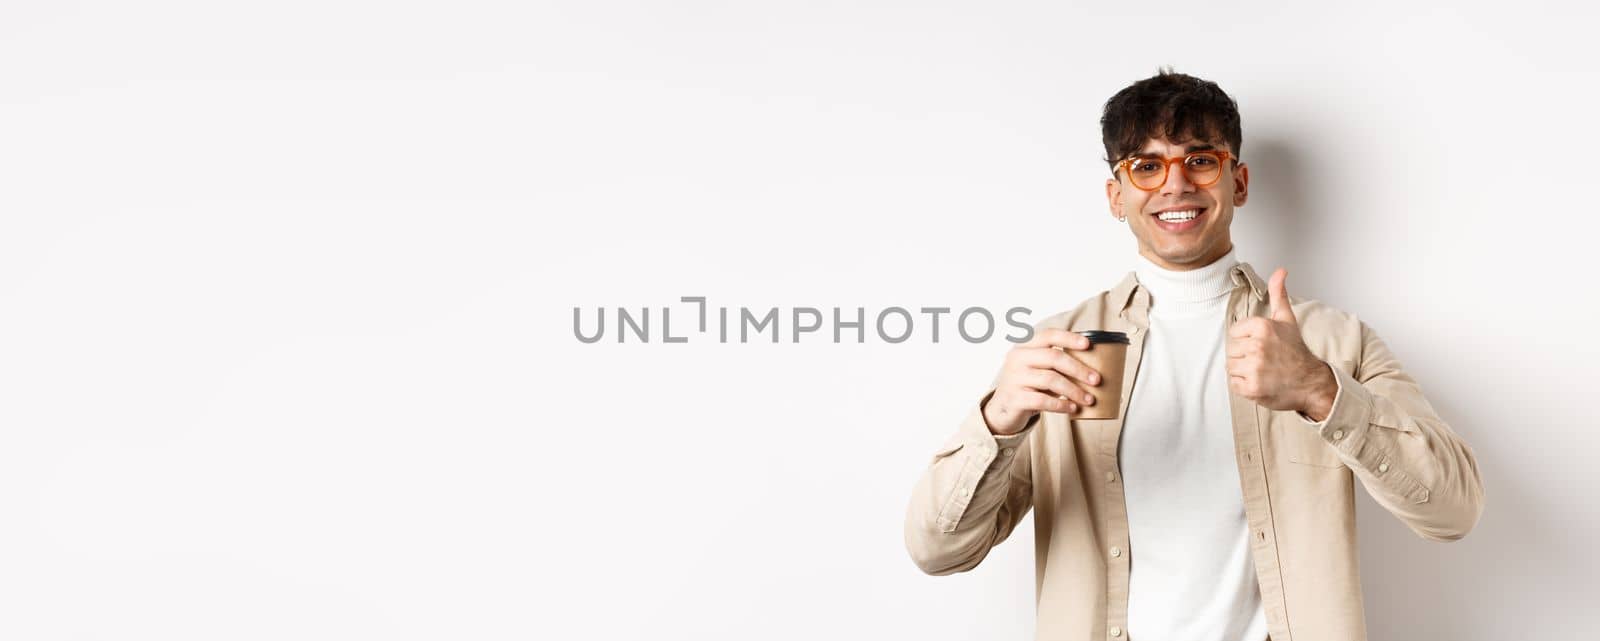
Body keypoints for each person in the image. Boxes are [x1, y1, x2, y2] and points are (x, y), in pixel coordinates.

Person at [902, 68, 1484, 641]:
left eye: (1200, 160)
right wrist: (998, 420)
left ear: (1239, 182)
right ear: (1116, 195)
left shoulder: (1333, 342)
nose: (1175, 185)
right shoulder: (1062, 349)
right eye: (1146, 166)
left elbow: (1454, 511)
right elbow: (937, 551)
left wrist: (1321, 391)